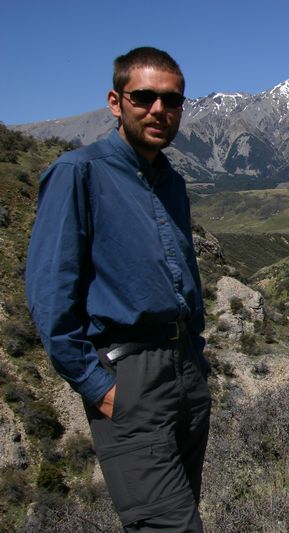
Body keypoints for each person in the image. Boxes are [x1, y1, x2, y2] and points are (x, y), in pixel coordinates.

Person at [25, 47, 210, 531]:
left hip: (184, 371)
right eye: (144, 97)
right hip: (129, 374)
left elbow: (185, 275)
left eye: (171, 101)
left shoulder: (170, 181)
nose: (158, 110)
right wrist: (97, 385)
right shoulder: (78, 173)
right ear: (116, 102)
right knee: (168, 525)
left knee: (184, 511)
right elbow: (50, 291)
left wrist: (198, 355)